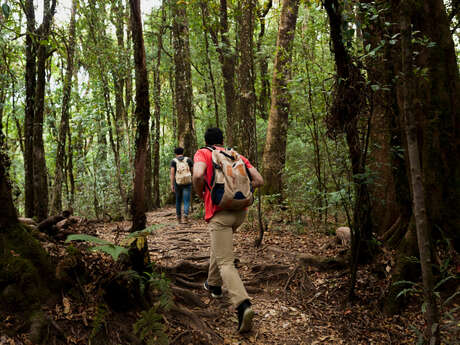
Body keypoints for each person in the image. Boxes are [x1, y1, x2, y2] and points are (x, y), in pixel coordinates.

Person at [193, 127, 264, 333]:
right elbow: (259, 181)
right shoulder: (235, 155)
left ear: (205, 140)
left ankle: (243, 305)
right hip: (240, 213)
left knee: (225, 261)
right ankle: (213, 285)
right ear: (222, 141)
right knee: (220, 247)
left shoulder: (203, 153)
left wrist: (202, 194)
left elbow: (198, 175)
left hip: (219, 213)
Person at [170, 147, 193, 224]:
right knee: (186, 200)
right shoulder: (188, 160)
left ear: (175, 153)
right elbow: (193, 171)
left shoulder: (174, 161)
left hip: (178, 183)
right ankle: (186, 214)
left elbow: (172, 174)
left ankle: (179, 218)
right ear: (183, 152)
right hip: (187, 182)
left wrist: (172, 184)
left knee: (178, 200)